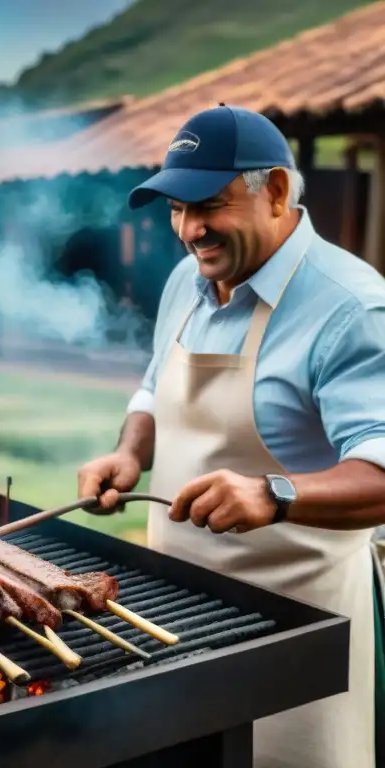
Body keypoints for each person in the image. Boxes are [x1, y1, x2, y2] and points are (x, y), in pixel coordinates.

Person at [76, 104, 385, 768]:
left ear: (274, 190)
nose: (189, 230)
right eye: (174, 210)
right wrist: (131, 452)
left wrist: (273, 494)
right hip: (178, 616)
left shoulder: (350, 308)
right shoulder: (188, 280)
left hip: (300, 636)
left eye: (207, 205)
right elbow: (155, 387)